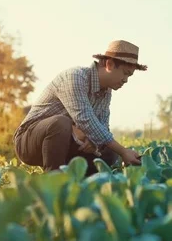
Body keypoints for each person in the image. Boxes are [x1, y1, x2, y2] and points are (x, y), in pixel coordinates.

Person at [12, 40, 148, 176]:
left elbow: (103, 126)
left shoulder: (106, 92)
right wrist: (123, 151)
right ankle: (54, 179)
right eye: (125, 73)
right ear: (109, 64)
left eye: (129, 76)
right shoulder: (76, 77)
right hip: (29, 142)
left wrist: (94, 142)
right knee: (61, 123)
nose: (126, 80)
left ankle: (82, 183)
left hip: (69, 144)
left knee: (109, 151)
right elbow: (85, 119)